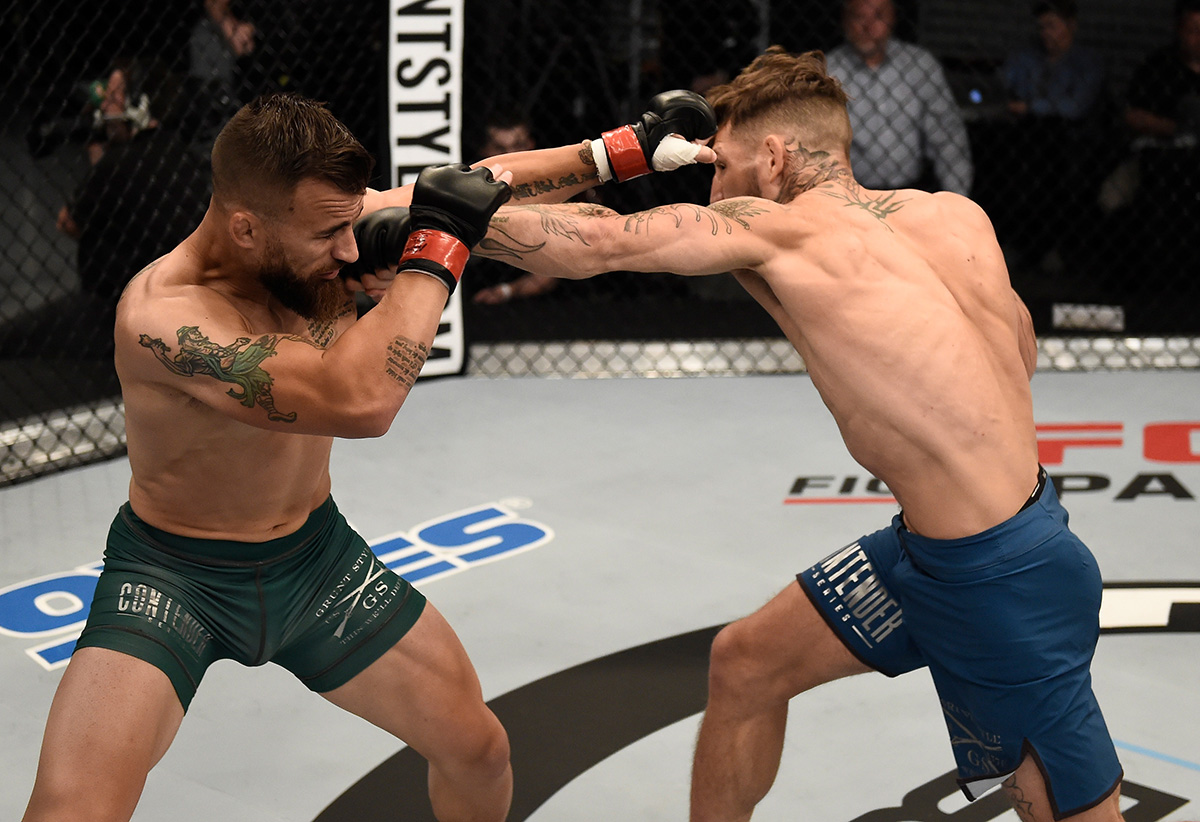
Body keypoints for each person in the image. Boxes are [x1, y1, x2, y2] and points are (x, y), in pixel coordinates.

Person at [20, 89, 716, 821]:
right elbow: (360, 401)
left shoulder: (318, 232)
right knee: (72, 810)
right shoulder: (164, 318)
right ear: (247, 227)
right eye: (329, 235)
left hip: (316, 563)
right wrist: (432, 253)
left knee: (478, 750)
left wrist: (621, 151)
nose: (351, 249)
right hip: (176, 578)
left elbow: (470, 187)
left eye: (351, 225)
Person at [479, 47, 1124, 822]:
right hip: (968, 545)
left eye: (720, 167)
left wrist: (437, 222)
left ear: (775, 157)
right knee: (746, 663)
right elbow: (1018, 354)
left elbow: (596, 243)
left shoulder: (778, 231)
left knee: (1058, 803)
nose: (714, 191)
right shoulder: (955, 215)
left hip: (999, 587)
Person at [825, 0, 973, 196]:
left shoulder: (920, 66)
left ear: (893, 18)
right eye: (859, 16)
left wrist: (958, 201)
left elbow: (947, 138)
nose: (868, 26)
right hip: (847, 193)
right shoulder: (827, 72)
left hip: (912, 190)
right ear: (845, 20)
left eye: (878, 16)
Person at [1002, 0, 1106, 123]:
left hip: (1067, 130)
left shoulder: (1087, 62)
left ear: (1071, 26)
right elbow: (1006, 82)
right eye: (1042, 27)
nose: (1045, 33)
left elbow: (1074, 107)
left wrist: (1029, 107)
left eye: (1051, 26)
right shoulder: (1028, 57)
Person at [1124, 0, 1200, 140]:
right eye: (1193, 30)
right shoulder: (1158, 66)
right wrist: (1177, 128)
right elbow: (1132, 114)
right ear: (1180, 31)